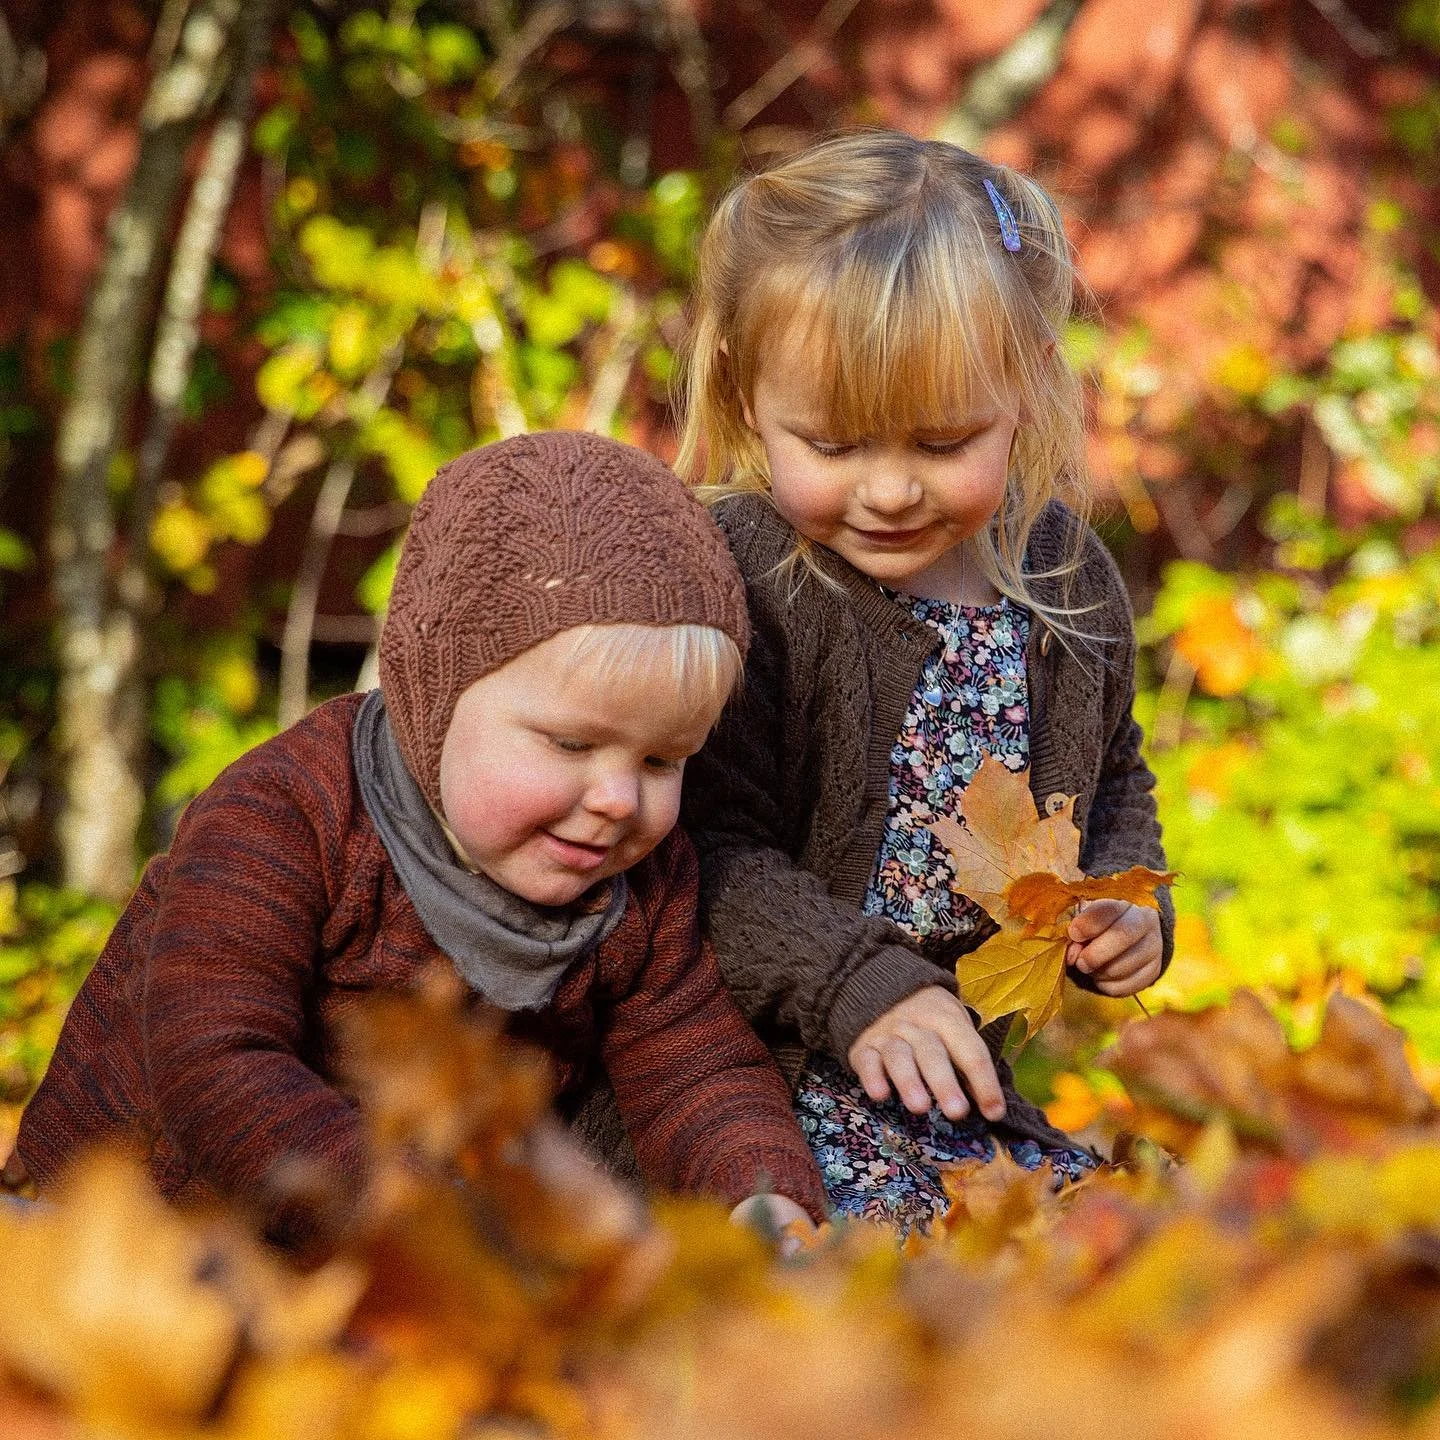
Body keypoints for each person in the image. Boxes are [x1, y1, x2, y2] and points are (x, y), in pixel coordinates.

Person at [12, 431, 826, 1253]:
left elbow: (695, 1066)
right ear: (435, 693)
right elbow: (212, 1049)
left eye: (662, 761)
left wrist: (760, 1199)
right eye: (572, 744)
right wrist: (408, 1211)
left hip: (400, 1265)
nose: (618, 800)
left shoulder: (642, 887)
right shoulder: (292, 811)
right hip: (129, 1228)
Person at [673, 130, 1174, 1231]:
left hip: (954, 1100)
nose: (891, 489)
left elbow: (1114, 777)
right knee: (857, 1266)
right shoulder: (746, 579)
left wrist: (1128, 901)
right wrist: (857, 985)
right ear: (745, 395)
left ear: (1027, 386)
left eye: (943, 443)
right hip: (753, 1088)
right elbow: (703, 850)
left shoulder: (1061, 580)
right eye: (834, 444)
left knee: (1142, 1241)